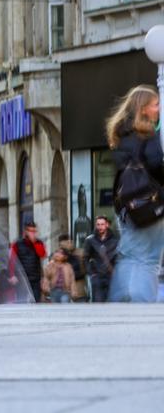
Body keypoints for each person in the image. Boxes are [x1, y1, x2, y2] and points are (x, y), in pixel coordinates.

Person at [107, 85, 164, 303]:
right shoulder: (149, 138)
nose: (159, 108)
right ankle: (139, 304)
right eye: (155, 104)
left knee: (131, 255)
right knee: (148, 259)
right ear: (143, 109)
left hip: (128, 207)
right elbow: (157, 166)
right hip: (150, 207)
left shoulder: (122, 135)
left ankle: (122, 298)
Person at [83, 215, 118, 303]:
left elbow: (118, 258)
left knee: (112, 301)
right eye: (98, 224)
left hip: (111, 275)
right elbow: (85, 258)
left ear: (107, 225)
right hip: (97, 275)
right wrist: (91, 272)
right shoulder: (90, 240)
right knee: (98, 302)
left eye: (102, 224)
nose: (100, 227)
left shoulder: (115, 241)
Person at [8, 220, 46, 303]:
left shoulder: (39, 243)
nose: (32, 233)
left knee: (36, 301)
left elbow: (42, 254)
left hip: (35, 278)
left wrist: (34, 242)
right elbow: (11, 260)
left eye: (34, 231)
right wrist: (12, 275)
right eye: (30, 231)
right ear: (25, 231)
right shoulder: (17, 244)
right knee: (22, 301)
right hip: (21, 278)